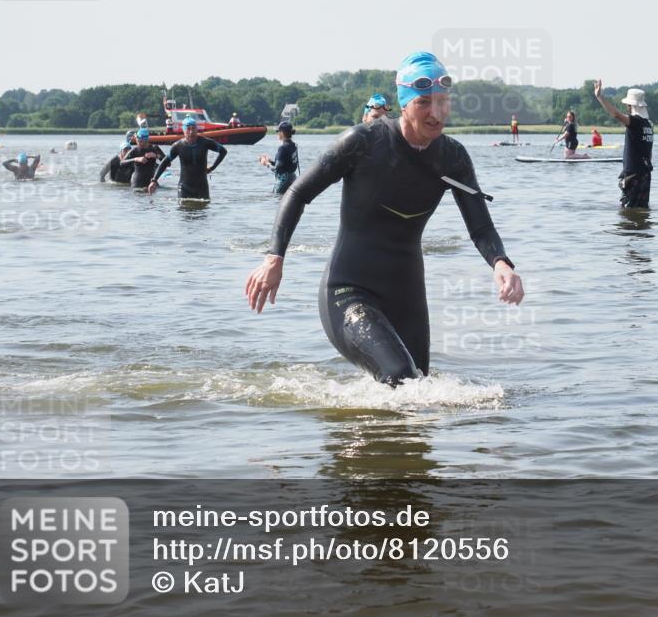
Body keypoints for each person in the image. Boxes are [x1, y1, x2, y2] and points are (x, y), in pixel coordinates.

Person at [245, 51, 524, 386]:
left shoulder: (453, 158)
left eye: (443, 102)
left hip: (406, 293)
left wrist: (501, 263)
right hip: (348, 289)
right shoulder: (363, 142)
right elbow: (298, 192)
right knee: (400, 377)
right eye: (424, 102)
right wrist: (275, 257)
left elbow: (480, 225)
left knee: (419, 387)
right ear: (404, 103)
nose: (436, 113)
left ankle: (363, 435)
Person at [593, 81, 654, 208]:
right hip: (645, 175)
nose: (626, 107)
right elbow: (650, 153)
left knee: (628, 211)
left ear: (631, 106)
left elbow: (615, 114)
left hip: (634, 176)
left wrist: (600, 97)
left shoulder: (635, 122)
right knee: (642, 209)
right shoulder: (648, 125)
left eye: (627, 105)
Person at [148, 116, 227, 199]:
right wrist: (154, 180)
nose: (191, 132)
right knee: (183, 210)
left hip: (202, 188)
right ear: (183, 130)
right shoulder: (178, 146)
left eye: (193, 129)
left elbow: (223, 151)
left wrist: (212, 168)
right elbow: (165, 162)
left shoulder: (205, 142)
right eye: (188, 129)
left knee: (204, 211)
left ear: (197, 129)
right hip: (184, 188)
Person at [258, 121, 299, 194]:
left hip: (284, 180)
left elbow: (277, 169)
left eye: (278, 131)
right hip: (293, 178)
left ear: (282, 133)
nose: (277, 133)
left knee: (276, 198)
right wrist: (270, 161)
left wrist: (266, 163)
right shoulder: (294, 145)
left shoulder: (282, 148)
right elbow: (284, 165)